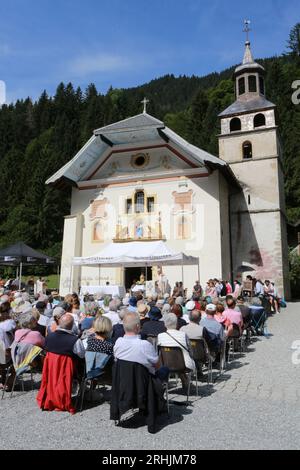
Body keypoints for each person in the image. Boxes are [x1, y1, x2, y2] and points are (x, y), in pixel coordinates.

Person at [114, 312, 168, 381]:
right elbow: (157, 365)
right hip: (144, 383)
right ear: (138, 326)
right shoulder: (145, 345)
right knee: (164, 369)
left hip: (123, 382)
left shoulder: (118, 342)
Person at [158, 313, 195, 385]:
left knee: (173, 356)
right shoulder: (183, 335)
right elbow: (191, 351)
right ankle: (184, 379)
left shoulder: (160, 336)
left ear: (165, 324)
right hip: (184, 365)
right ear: (177, 324)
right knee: (180, 357)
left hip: (166, 364)